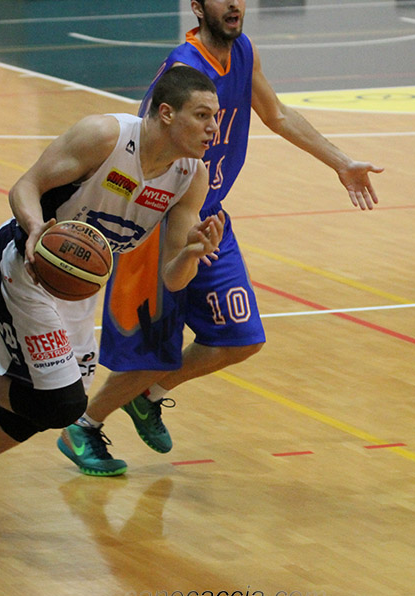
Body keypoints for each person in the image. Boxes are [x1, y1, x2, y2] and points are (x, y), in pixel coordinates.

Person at [57, 0, 384, 475]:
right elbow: (143, 144)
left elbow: (277, 114)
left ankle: (149, 396)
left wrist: (341, 162)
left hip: (209, 218)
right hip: (160, 220)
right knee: (153, 352)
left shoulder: (244, 50)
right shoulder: (184, 67)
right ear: (197, 5)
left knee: (239, 338)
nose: (234, 3)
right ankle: (83, 425)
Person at [0, 66, 225, 529]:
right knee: (62, 404)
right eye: (202, 115)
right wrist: (37, 229)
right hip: (24, 267)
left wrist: (192, 253)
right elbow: (25, 186)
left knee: (39, 408)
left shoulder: (191, 177)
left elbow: (173, 280)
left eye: (216, 117)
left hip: (77, 289)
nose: (213, 128)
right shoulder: (104, 137)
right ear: (167, 113)